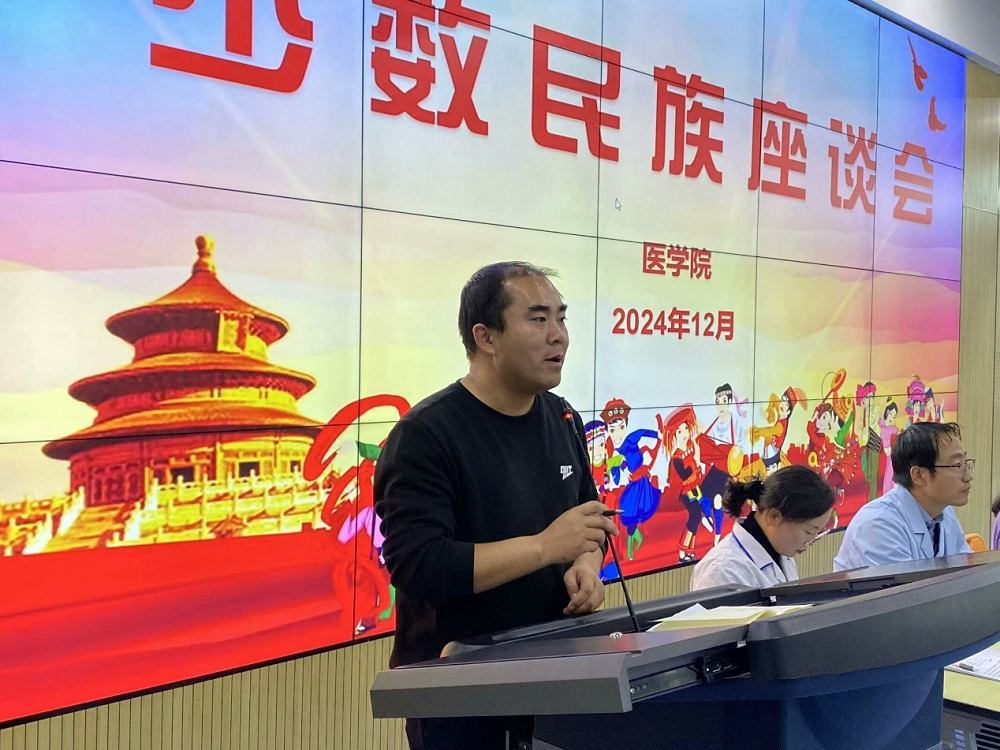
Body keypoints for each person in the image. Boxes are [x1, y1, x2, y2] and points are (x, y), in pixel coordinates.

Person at [373, 261, 618, 750]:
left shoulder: (562, 416)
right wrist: (545, 547)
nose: (559, 336)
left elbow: (590, 521)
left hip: (558, 673)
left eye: (561, 318)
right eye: (538, 319)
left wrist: (587, 566)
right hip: (461, 692)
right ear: (485, 337)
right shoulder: (426, 435)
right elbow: (421, 566)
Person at [833, 422, 973, 571]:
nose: (968, 476)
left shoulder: (943, 511)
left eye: (966, 463)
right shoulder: (879, 524)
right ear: (918, 475)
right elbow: (907, 586)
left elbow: (968, 572)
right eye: (957, 465)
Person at [690, 465, 835, 590]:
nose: (811, 541)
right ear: (774, 517)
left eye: (818, 532)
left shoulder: (782, 553)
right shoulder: (722, 571)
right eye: (809, 532)